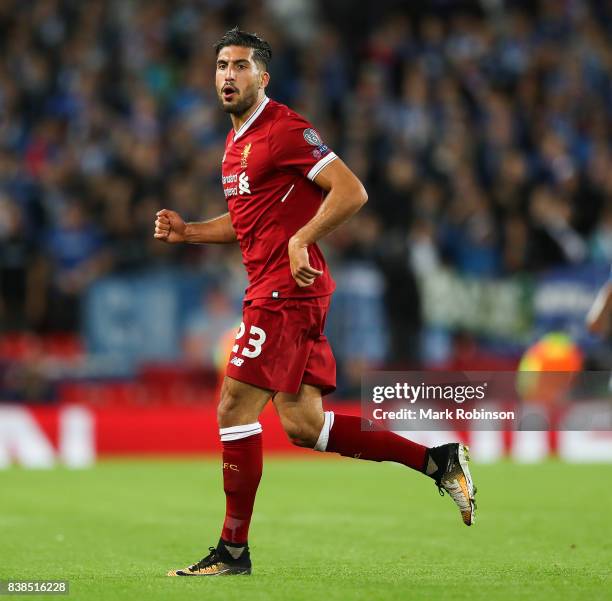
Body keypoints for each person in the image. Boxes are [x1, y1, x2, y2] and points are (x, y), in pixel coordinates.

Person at [155, 27, 476, 577]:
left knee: (233, 409)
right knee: (306, 426)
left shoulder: (284, 129)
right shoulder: (234, 145)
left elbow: (351, 191)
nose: (228, 76)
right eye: (221, 67)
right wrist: (189, 233)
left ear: (263, 76)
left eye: (240, 66)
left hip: (284, 291)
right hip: (284, 290)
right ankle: (437, 460)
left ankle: (233, 551)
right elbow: (246, 222)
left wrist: (303, 238)